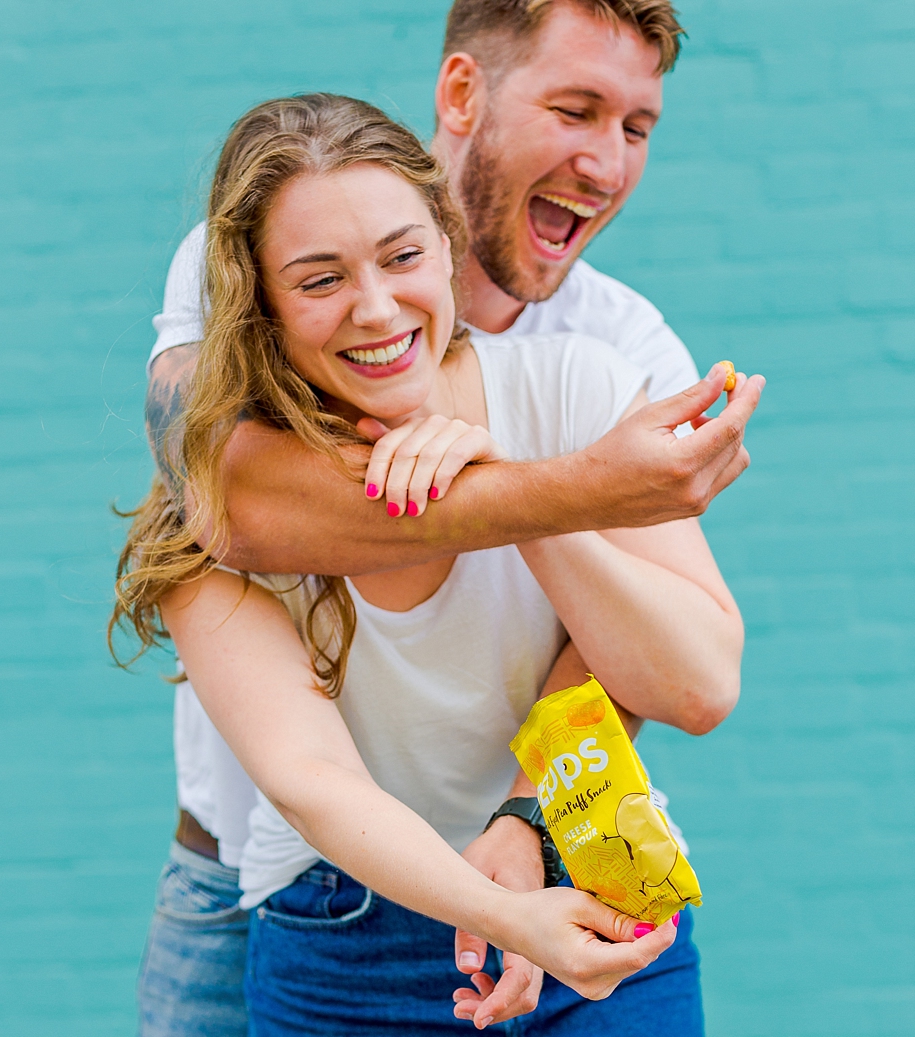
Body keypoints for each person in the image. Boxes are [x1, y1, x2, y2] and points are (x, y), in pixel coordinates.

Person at [134, 2, 764, 1033]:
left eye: (634, 127)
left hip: (570, 864)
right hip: (297, 884)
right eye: (573, 108)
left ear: (437, 244)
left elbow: (686, 679)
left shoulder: (601, 354)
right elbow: (235, 514)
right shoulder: (242, 267)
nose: (603, 163)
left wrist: (521, 820)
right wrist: (558, 485)